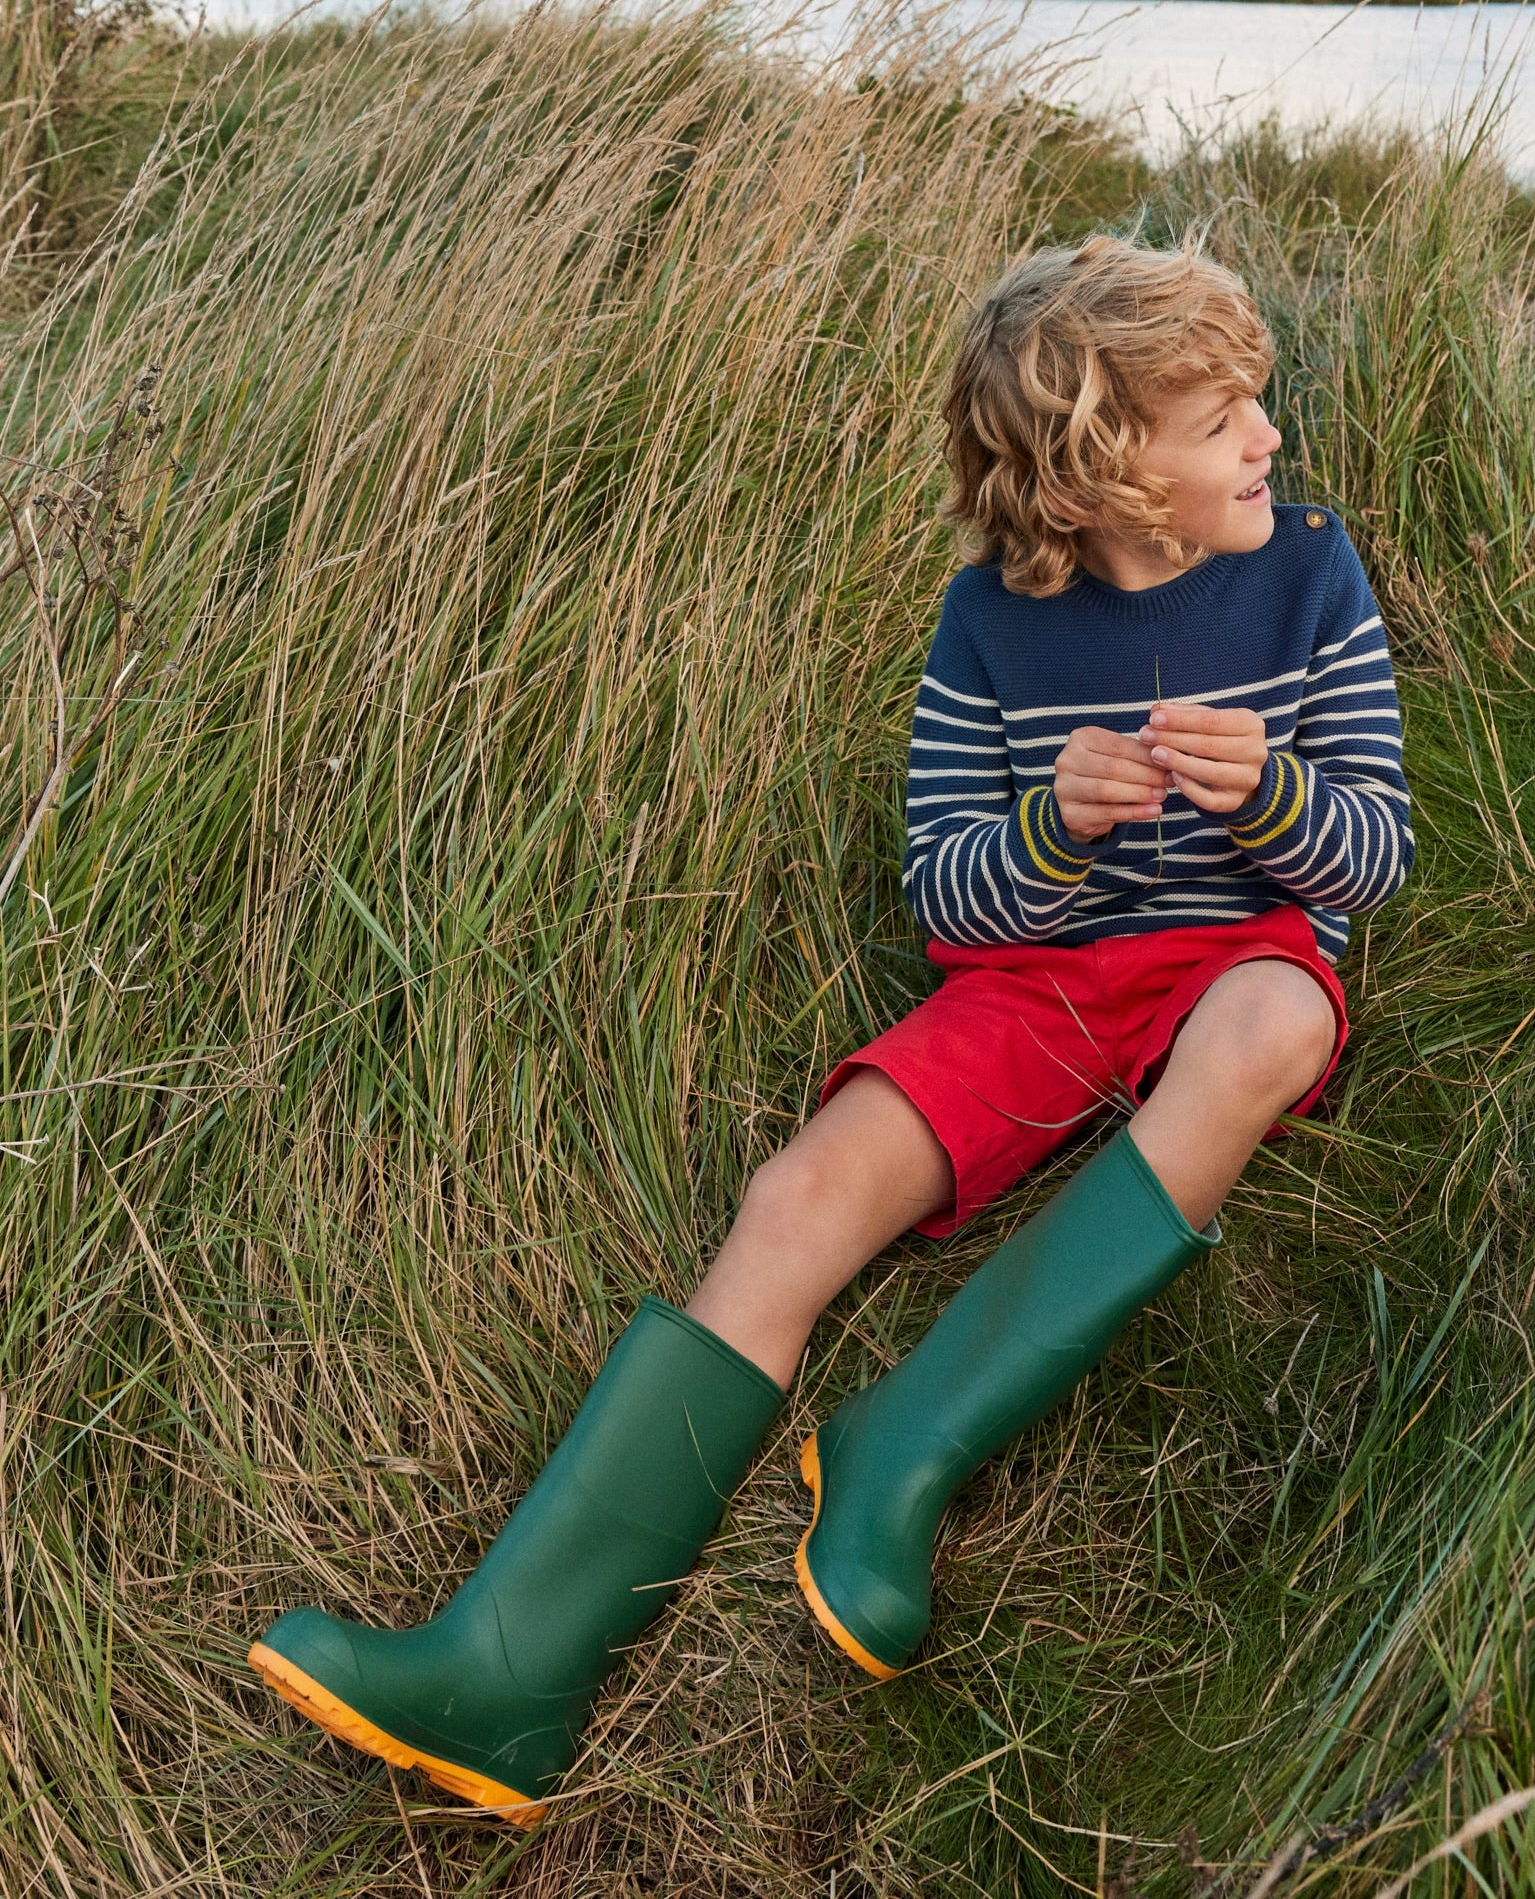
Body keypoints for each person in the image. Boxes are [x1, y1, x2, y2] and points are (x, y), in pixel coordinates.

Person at [248, 236, 1416, 1826]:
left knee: (1276, 1015)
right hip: (1039, 981)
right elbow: (953, 905)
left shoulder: (1309, 575)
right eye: (1222, 423)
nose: (1267, 440)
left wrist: (1271, 794)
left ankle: (899, 1451)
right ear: (1100, 470)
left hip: (1247, 955)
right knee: (798, 1199)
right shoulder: (992, 627)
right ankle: (509, 1665)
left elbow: (1374, 858)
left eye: (1253, 408)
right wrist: (1054, 828)